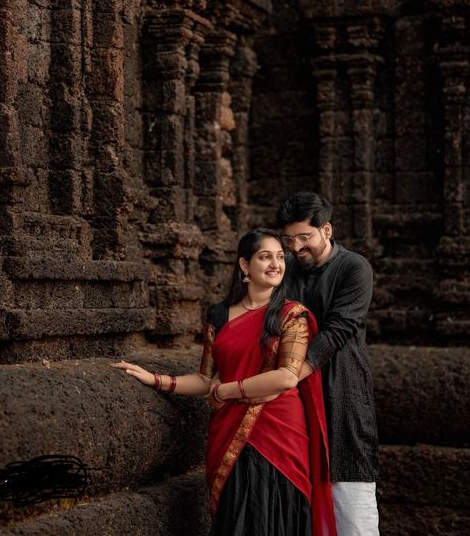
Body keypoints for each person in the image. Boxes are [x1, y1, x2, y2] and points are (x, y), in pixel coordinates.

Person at [112, 228, 336, 536]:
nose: (275, 264)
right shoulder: (219, 315)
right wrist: (156, 379)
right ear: (245, 265)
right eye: (265, 257)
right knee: (236, 513)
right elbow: (205, 378)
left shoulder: (291, 315)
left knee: (275, 514)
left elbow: (286, 377)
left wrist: (228, 389)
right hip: (229, 428)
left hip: (280, 431)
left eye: (280, 257)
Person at [276, 191, 380, 535]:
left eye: (305, 237)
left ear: (327, 230)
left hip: (342, 394)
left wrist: (289, 375)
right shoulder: (286, 268)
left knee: (350, 503)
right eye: (289, 239)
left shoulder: (354, 268)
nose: (296, 247)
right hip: (292, 402)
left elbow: (338, 332)